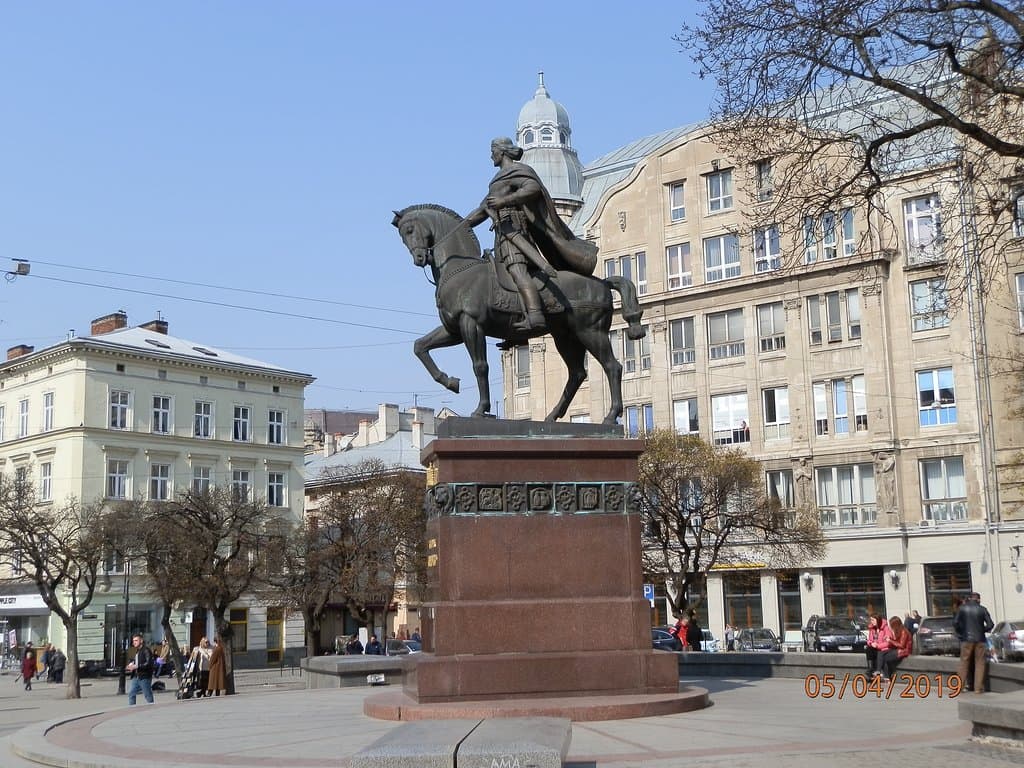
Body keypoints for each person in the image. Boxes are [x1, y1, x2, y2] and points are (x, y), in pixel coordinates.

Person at [464, 137, 597, 332]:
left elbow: (532, 188)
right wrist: (461, 225)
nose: (490, 154)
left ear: (502, 152)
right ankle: (512, 321)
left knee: (518, 271)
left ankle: (535, 316)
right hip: (502, 235)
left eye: (493, 150)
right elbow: (483, 209)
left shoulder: (515, 172)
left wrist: (505, 200)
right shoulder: (498, 179)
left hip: (516, 233)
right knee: (502, 278)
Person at [954, 591, 995, 693]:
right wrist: (982, 630)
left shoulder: (962, 608)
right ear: (978, 599)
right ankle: (978, 688)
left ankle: (960, 687)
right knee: (980, 663)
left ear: (969, 599)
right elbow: (990, 624)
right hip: (980, 639)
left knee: (964, 662)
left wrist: (961, 632)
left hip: (966, 639)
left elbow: (955, 623)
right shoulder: (982, 609)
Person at [126, 633, 155, 705]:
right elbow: (137, 661)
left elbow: (148, 663)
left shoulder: (146, 650)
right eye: (133, 641)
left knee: (147, 695)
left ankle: (151, 707)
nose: (134, 642)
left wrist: (137, 666)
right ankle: (132, 709)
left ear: (141, 641)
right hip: (136, 677)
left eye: (136, 640)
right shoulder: (138, 651)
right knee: (131, 693)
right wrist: (131, 665)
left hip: (144, 677)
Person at [865, 614, 894, 679]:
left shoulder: (886, 628)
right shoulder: (872, 629)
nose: (871, 622)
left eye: (873, 620)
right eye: (871, 620)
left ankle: (878, 671)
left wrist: (878, 646)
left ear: (878, 620)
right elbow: (869, 640)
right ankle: (871, 669)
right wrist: (871, 643)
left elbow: (888, 642)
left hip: (886, 648)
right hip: (876, 647)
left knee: (880, 653)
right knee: (868, 649)